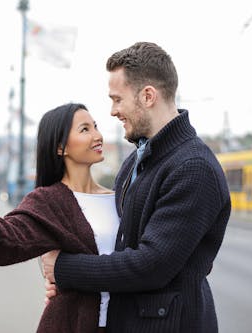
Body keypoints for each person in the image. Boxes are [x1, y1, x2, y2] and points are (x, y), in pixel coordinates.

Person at [41, 42, 231, 333]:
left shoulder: (193, 168)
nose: (113, 111)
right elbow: (119, 244)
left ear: (148, 96)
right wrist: (62, 281)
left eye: (117, 99)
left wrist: (65, 269)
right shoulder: (134, 163)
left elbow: (149, 265)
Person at [0, 103, 120, 333]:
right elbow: (6, 241)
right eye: (85, 129)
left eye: (95, 126)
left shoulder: (121, 197)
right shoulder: (49, 201)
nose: (97, 136)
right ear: (60, 147)